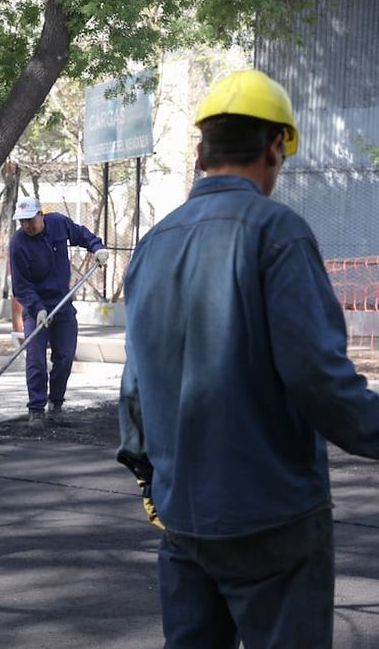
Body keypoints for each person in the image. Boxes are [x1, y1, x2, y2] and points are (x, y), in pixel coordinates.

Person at [117, 68, 379, 648]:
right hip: (273, 517)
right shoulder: (277, 233)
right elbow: (319, 379)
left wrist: (153, 481)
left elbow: (135, 389)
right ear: (275, 149)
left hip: (183, 517)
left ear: (201, 150)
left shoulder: (153, 244)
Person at [9, 196, 108, 429]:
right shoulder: (18, 243)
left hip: (62, 305)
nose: (26, 225)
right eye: (21, 221)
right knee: (36, 359)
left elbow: (82, 234)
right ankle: (36, 409)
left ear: (41, 215)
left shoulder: (58, 224)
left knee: (65, 355)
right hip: (36, 308)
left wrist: (97, 247)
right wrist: (38, 310)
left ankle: (56, 405)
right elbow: (21, 287)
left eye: (30, 220)